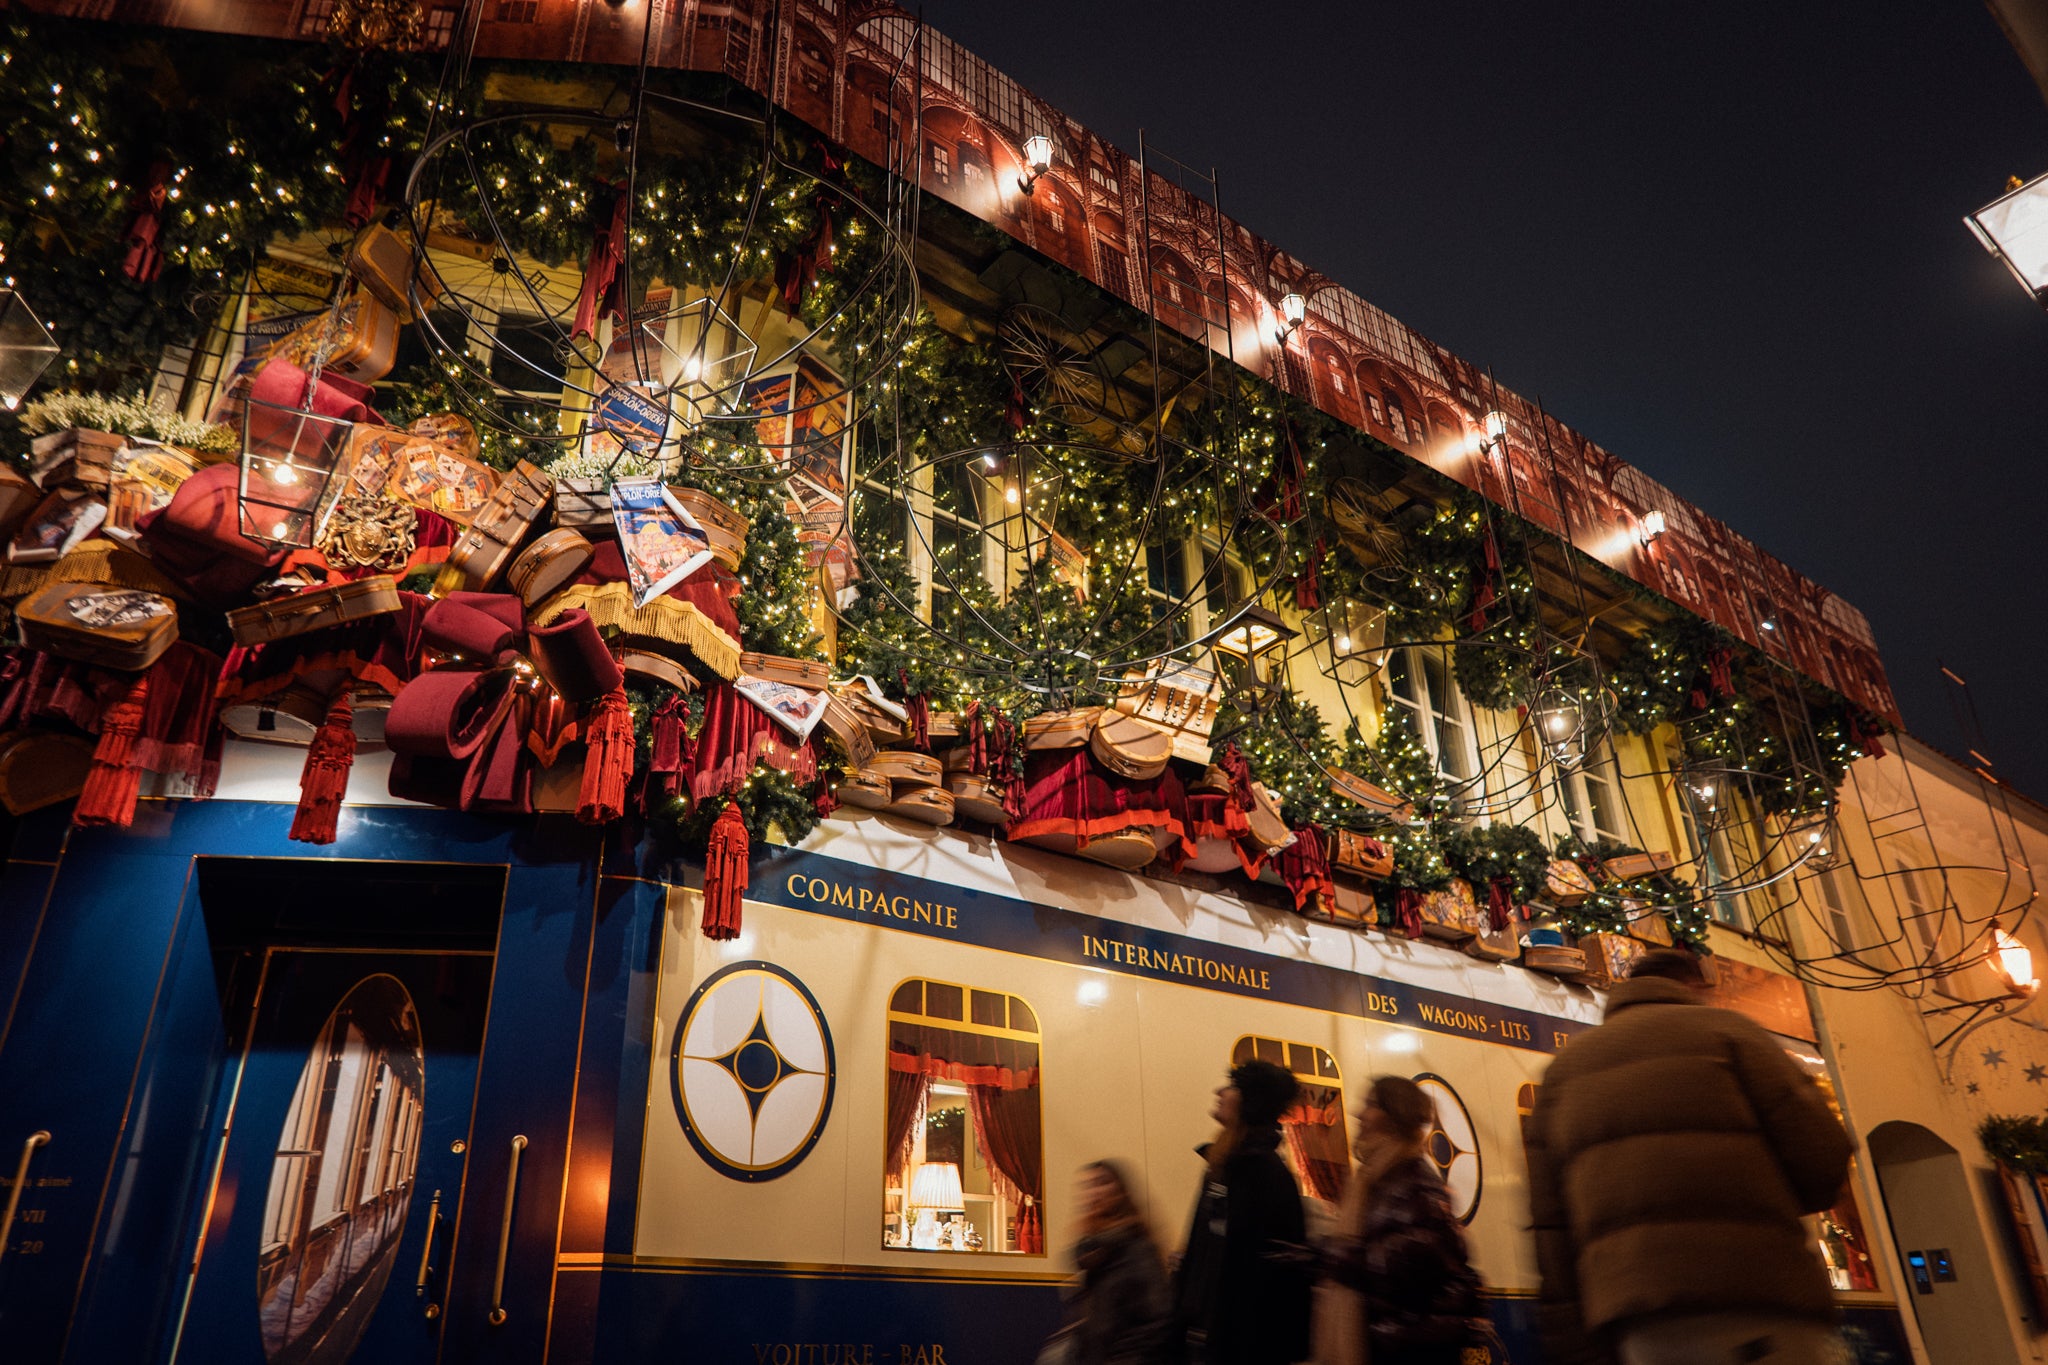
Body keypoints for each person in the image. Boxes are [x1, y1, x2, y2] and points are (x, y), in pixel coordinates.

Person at [1526, 949, 1854, 1365]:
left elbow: (1551, 1219)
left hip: (1642, 1316)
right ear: (1693, 985)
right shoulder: (1732, 1034)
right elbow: (1823, 1155)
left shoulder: (1563, 1072)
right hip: (1755, 1292)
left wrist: (1569, 1334)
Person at [1318, 1076, 1486, 1365]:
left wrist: (1331, 1254)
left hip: (1402, 1351)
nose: (1359, 1114)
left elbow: (1403, 1268)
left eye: (1371, 1105)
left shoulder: (1416, 1186)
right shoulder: (1376, 1180)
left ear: (1393, 1117)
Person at [1170, 1059, 1312, 1365]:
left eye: (1233, 1086)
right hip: (1211, 1339)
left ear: (1251, 1102)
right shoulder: (1226, 1167)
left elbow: (1254, 1276)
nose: (1219, 1091)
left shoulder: (1260, 1174)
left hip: (1237, 1346)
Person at [1050, 1160, 1170, 1365]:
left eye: (1102, 1183)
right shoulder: (1096, 1253)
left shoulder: (1137, 1248)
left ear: (1121, 1191)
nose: (1094, 1192)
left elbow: (1157, 1316)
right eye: (1088, 1186)